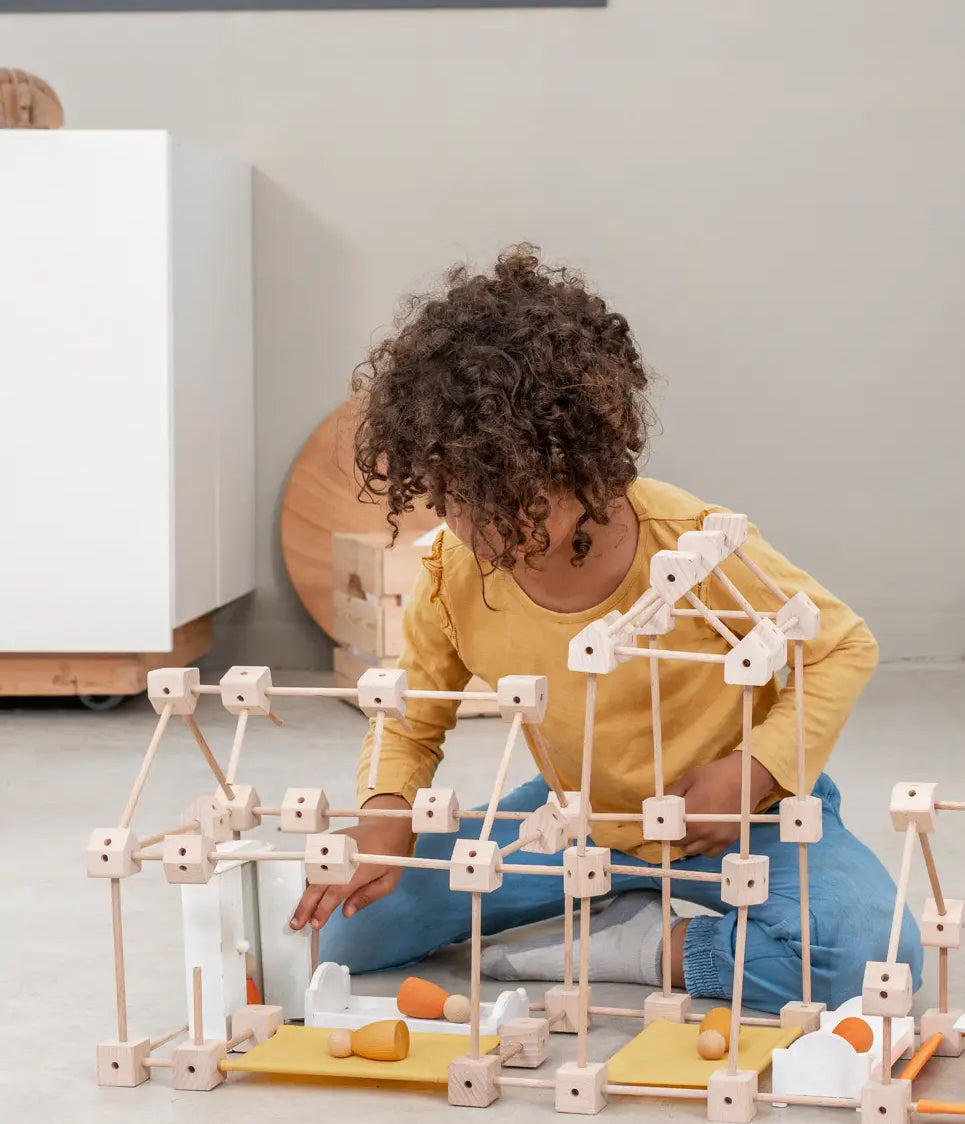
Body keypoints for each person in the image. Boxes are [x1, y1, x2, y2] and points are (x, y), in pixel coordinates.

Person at [290, 245, 922, 1014]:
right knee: (342, 935)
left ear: (586, 467)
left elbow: (841, 644)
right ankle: (606, 901)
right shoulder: (452, 573)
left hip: (743, 819)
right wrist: (385, 812)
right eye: (455, 494)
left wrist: (754, 771)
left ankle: (640, 946)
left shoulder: (692, 540)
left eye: (509, 498)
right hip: (571, 819)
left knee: (873, 960)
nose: (478, 525)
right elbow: (413, 719)